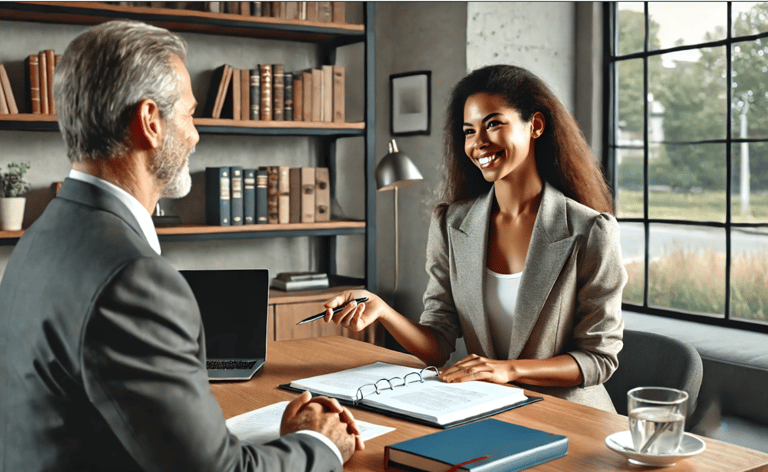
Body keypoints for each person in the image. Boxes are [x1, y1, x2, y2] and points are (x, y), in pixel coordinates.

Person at [0, 20, 362, 471]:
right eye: (189, 115)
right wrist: (317, 442)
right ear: (151, 122)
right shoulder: (133, 280)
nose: (195, 135)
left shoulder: (39, 238)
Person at [324, 64, 627, 412]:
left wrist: (508, 371)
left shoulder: (591, 231)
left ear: (536, 126)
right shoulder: (451, 224)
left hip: (570, 415)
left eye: (494, 123)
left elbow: (598, 359)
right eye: (469, 130)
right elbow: (437, 343)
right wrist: (382, 311)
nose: (478, 142)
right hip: (483, 409)